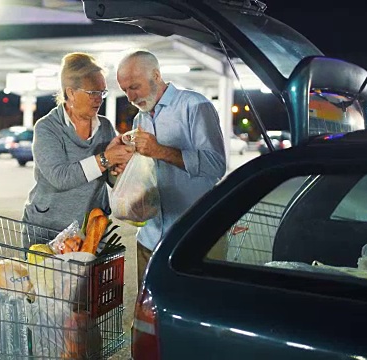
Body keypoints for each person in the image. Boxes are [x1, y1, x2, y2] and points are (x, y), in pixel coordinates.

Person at [116, 49, 226, 286]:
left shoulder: (195, 105)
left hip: (193, 237)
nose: (130, 97)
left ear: (156, 76)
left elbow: (216, 166)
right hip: (150, 237)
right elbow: (148, 172)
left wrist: (160, 151)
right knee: (148, 316)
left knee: (193, 310)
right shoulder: (140, 119)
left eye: (134, 87)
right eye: (125, 90)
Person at [22, 52, 134, 233]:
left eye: (102, 92)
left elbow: (109, 178)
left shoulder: (104, 126)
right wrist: (106, 159)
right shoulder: (47, 128)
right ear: (71, 93)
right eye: (93, 93)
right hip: (49, 229)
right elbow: (60, 177)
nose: (99, 98)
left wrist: (117, 170)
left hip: (92, 229)